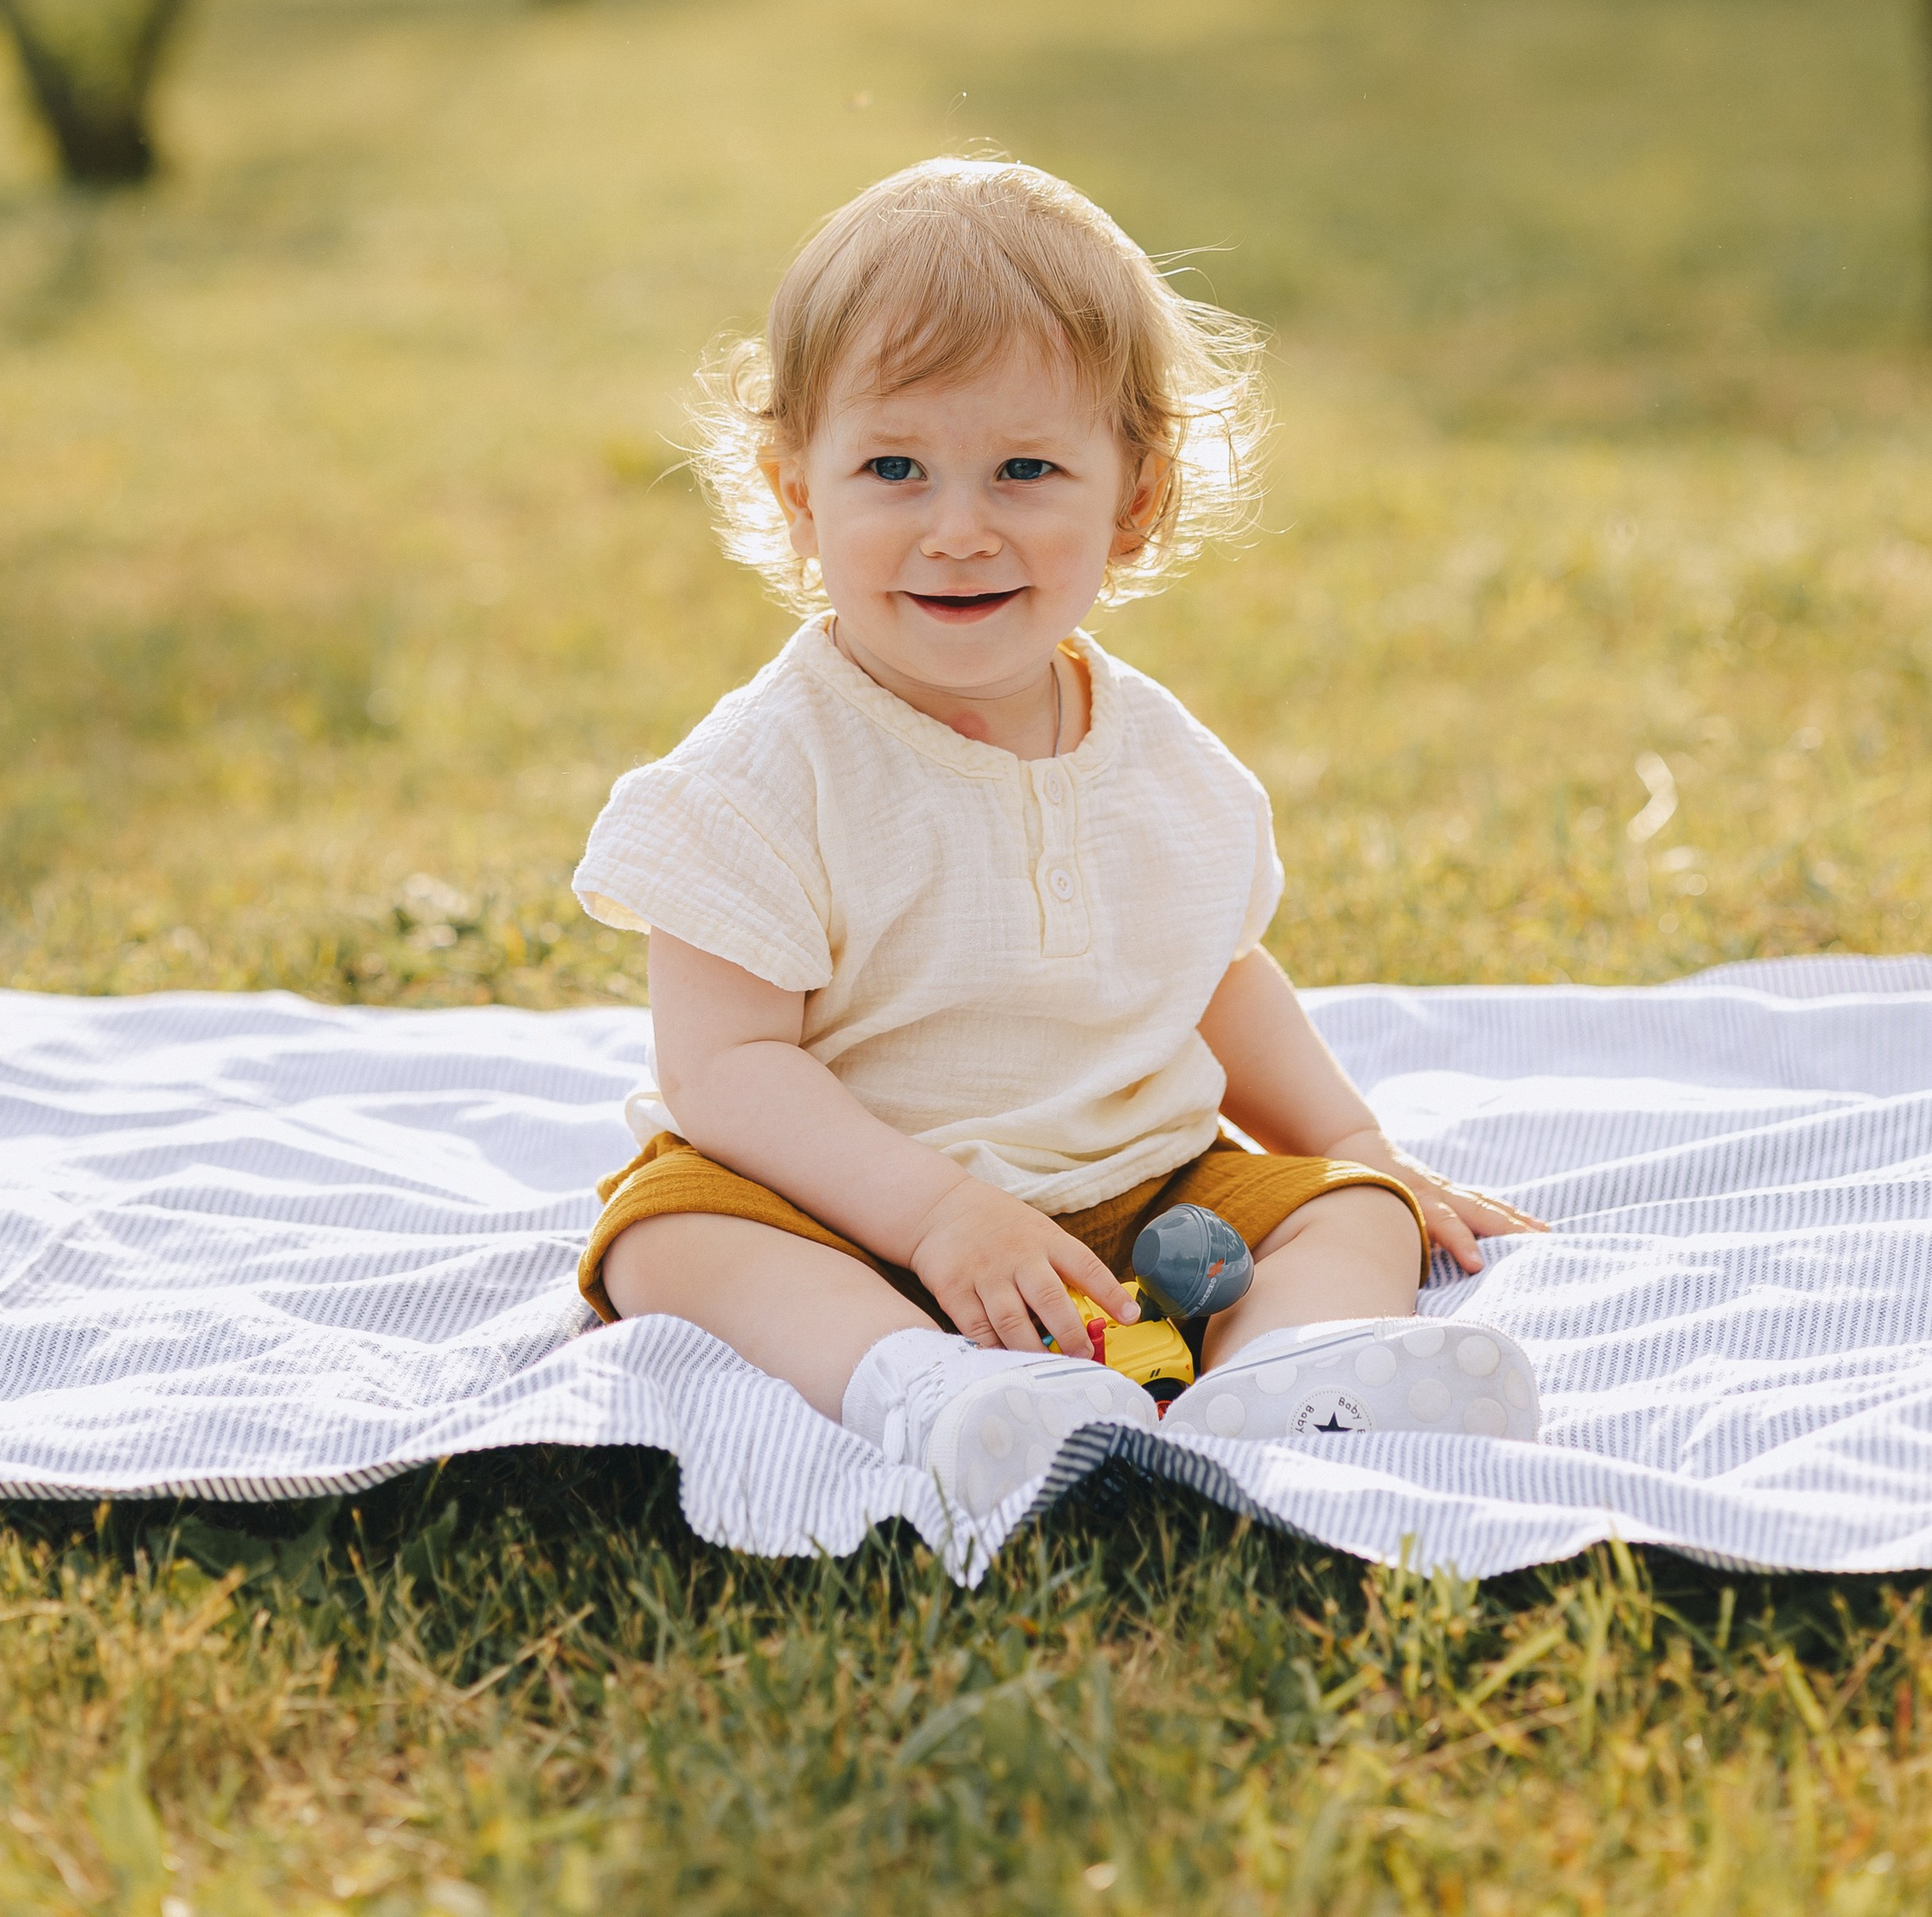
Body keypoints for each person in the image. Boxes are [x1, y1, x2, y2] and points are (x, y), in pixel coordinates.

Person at [570, 159, 1546, 1526]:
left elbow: (1212, 969)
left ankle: (1279, 1379)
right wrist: (935, 1218)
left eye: (1025, 469)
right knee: (668, 1238)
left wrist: (1359, 1140)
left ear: (1133, 499)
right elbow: (723, 1066)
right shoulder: (764, 771)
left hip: (1140, 1204)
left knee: (1354, 1212)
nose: (958, 528)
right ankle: (925, 1386)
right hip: (843, 1210)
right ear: (798, 492)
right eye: (892, 467)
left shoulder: (1158, 759)